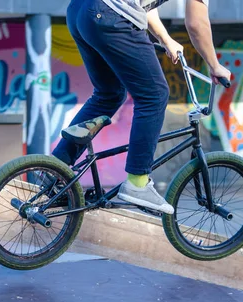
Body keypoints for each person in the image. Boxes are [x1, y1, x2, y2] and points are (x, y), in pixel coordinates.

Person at [51, 0, 231, 214]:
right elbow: (196, 24)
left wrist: (165, 39)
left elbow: (145, 5)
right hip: (110, 15)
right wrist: (215, 65)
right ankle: (137, 183)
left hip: (81, 11)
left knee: (108, 95)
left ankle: (55, 169)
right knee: (154, 95)